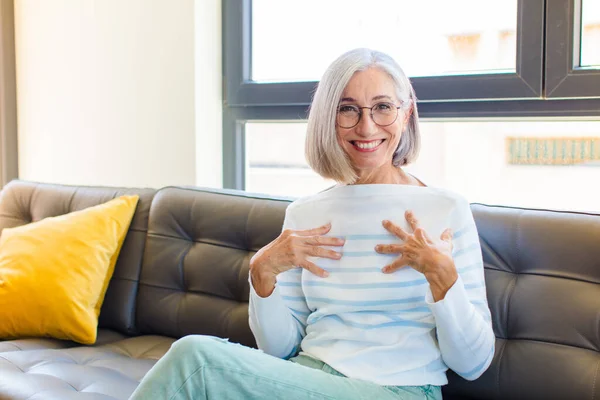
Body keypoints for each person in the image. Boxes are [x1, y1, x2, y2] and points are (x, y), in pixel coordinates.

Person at [130, 48, 495, 400]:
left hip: (398, 390)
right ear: (327, 119)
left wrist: (444, 280)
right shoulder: (305, 214)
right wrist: (262, 273)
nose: (366, 126)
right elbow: (280, 350)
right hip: (307, 379)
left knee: (196, 360)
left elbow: (473, 364)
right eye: (347, 109)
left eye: (383, 107)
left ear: (405, 113)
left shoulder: (445, 209)